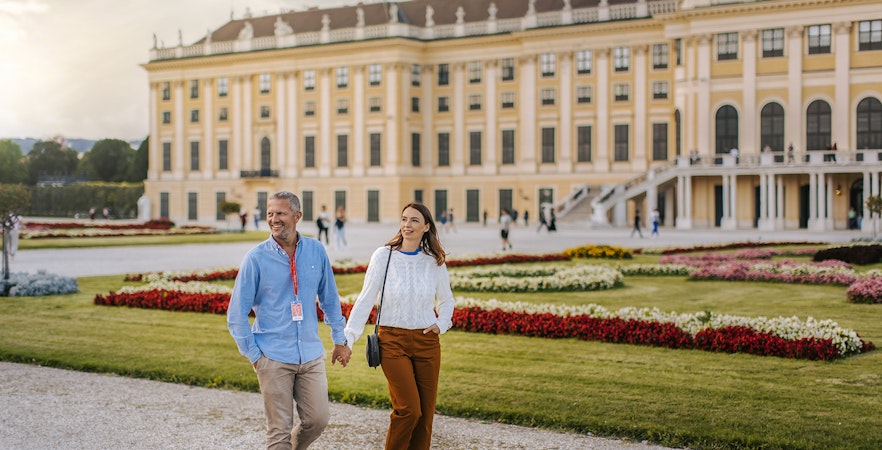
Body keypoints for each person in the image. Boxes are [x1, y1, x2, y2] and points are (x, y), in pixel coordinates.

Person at [227, 191, 351, 450]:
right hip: (273, 357)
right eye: (270, 213)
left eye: (280, 213)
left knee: (318, 420)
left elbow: (329, 299)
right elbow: (236, 313)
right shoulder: (256, 258)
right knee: (278, 431)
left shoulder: (316, 251)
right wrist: (254, 355)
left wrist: (340, 340)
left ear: (297, 216)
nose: (274, 219)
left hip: (310, 354)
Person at [343, 202, 455, 450]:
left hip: (427, 342)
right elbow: (365, 298)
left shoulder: (434, 261)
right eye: (404, 219)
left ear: (426, 227)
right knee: (408, 410)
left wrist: (441, 324)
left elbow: (446, 300)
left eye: (414, 220)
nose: (407, 225)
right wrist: (348, 338)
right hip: (392, 341)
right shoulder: (384, 256)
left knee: (425, 417)